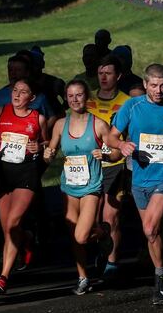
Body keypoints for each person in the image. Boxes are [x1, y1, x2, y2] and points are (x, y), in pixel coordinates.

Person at [106, 64, 163, 305]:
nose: (158, 90)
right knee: (152, 234)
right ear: (145, 84)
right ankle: (161, 276)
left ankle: (161, 278)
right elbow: (111, 135)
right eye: (154, 85)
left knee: (149, 227)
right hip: (140, 179)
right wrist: (121, 146)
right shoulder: (132, 106)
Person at [44, 80, 119, 294]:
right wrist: (47, 155)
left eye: (79, 95)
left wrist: (105, 154)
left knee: (81, 236)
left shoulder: (98, 124)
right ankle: (83, 277)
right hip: (69, 186)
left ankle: (103, 232)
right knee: (74, 236)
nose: (75, 99)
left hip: (91, 187)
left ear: (86, 98)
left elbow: (117, 152)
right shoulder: (60, 124)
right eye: (70, 96)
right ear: (66, 99)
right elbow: (49, 152)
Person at [0, 78, 48, 294]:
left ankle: (3, 277)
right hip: (3, 173)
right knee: (7, 228)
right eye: (15, 90)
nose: (17, 94)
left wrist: (39, 146)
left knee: (13, 223)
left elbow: (48, 143)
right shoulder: (0, 110)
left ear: (31, 98)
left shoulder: (37, 118)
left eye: (23, 92)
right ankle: (27, 238)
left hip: (26, 173)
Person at [86, 55, 131, 279]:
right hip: (89, 165)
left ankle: (112, 263)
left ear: (118, 76)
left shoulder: (126, 102)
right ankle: (101, 248)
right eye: (100, 73)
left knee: (111, 217)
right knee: (92, 219)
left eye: (109, 73)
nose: (104, 77)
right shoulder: (87, 99)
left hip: (116, 164)